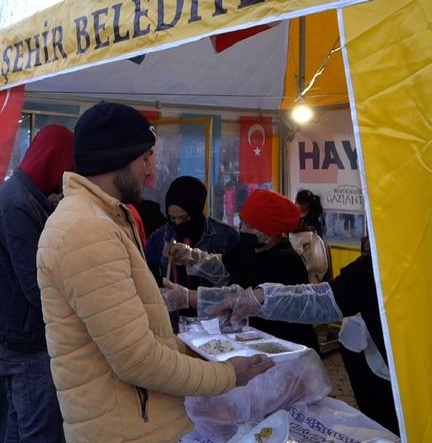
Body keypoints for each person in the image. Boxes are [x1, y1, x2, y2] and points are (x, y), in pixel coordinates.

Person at [36, 102, 274, 443]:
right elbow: (137, 360)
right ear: (117, 158)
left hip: (138, 420)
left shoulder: (105, 219)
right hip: (125, 429)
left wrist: (195, 352)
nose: (151, 171)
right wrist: (224, 375)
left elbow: (137, 336)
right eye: (146, 157)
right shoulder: (85, 229)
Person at [166, 248, 400, 434]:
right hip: (386, 380)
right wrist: (258, 298)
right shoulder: (374, 267)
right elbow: (326, 299)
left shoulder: (286, 259)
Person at [0, 124, 74, 443]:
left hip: (15, 332)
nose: (65, 180)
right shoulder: (18, 204)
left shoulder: (19, 196)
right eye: (66, 169)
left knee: (21, 422)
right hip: (25, 339)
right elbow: (35, 285)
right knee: (39, 428)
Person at [165, 189, 320, 351]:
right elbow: (225, 266)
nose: (244, 230)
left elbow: (239, 297)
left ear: (272, 230)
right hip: (249, 339)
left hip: (284, 345)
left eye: (251, 227)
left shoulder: (285, 261)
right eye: (243, 222)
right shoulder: (249, 246)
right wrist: (192, 256)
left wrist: (188, 297)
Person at [145, 175, 239, 288]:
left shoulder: (226, 235)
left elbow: (235, 279)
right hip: (171, 304)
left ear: (196, 211)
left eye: (184, 218)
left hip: (214, 304)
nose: (178, 223)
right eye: (172, 218)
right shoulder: (158, 238)